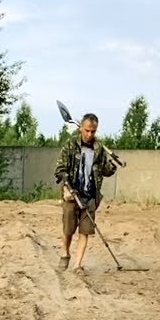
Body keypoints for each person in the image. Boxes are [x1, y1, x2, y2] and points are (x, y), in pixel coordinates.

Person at [54, 112, 119, 271]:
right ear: (81, 128)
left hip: (90, 196)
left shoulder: (99, 148)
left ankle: (77, 265)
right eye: (87, 130)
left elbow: (105, 171)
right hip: (72, 194)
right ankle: (65, 254)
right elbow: (60, 170)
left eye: (93, 131)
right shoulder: (70, 145)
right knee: (68, 230)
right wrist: (66, 188)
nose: (90, 134)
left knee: (85, 231)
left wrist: (113, 165)